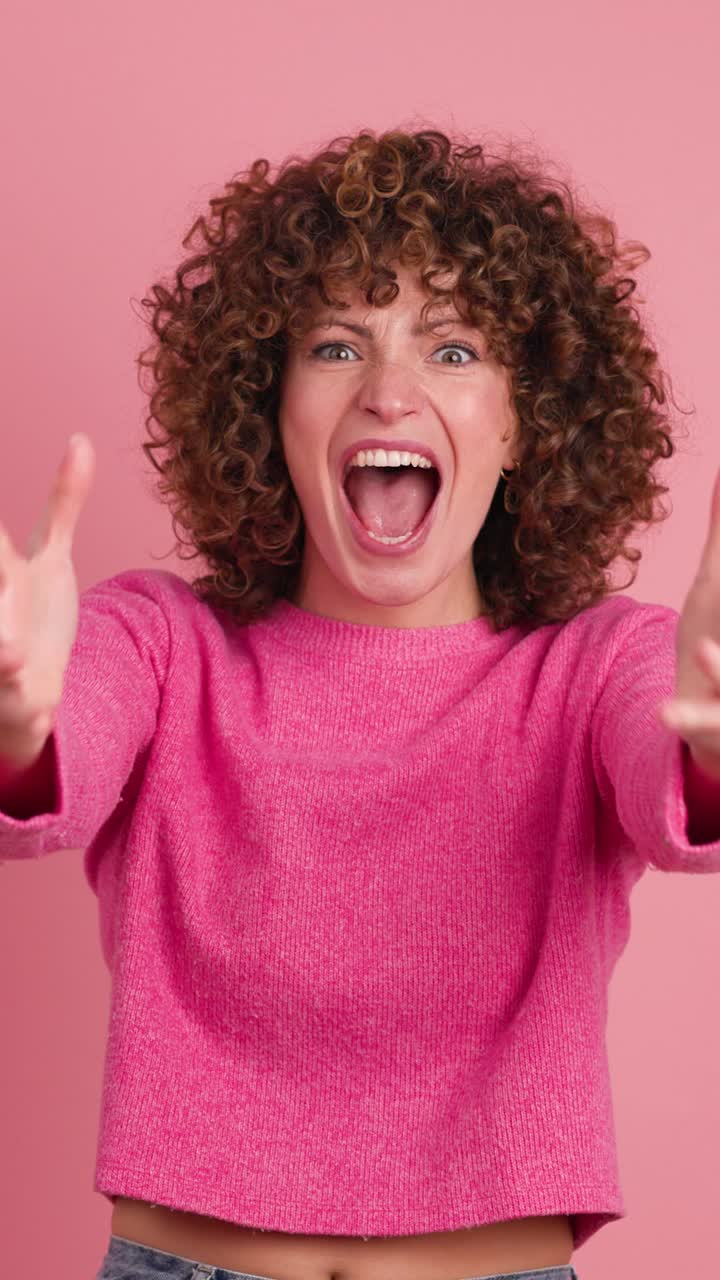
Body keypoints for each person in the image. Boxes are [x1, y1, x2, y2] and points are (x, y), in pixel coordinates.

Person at [2, 126, 719, 1280]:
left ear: (525, 421)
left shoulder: (591, 667)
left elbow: (671, 772)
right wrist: (15, 723)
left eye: (451, 350)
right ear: (267, 407)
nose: (389, 389)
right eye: (338, 345)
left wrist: (713, 746)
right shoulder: (163, 642)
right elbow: (51, 767)